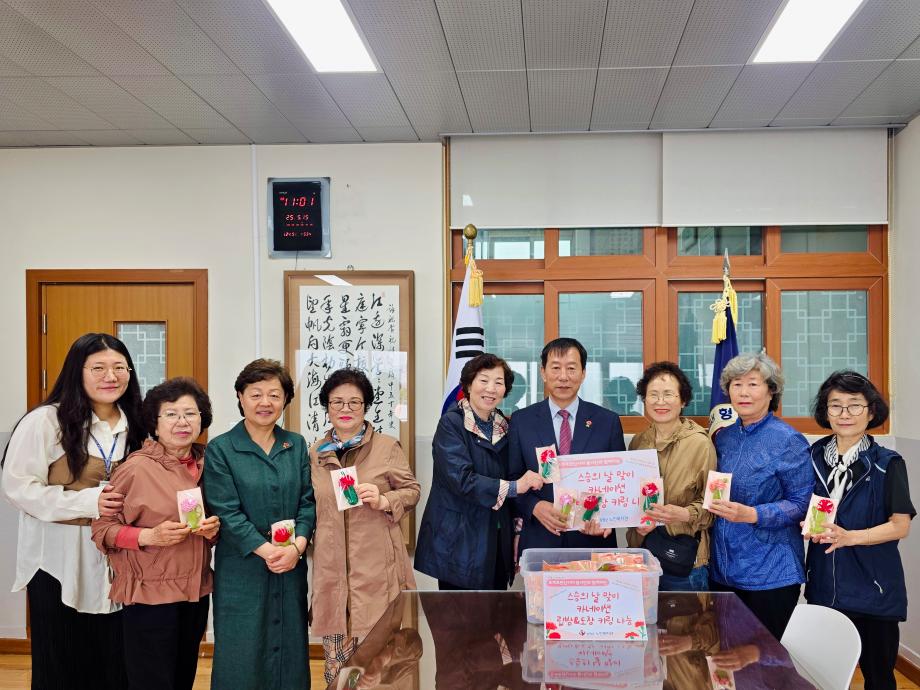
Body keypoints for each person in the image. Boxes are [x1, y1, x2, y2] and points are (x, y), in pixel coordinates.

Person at [1, 332, 145, 689]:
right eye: (97, 367)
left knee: (117, 664)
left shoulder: (138, 423)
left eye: (118, 367)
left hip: (122, 564)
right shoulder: (45, 421)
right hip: (58, 562)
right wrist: (87, 502)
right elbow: (18, 487)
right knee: (61, 666)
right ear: (76, 372)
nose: (110, 376)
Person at [91, 377, 220, 690]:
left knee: (181, 680)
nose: (182, 422)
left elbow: (218, 527)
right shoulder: (136, 468)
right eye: (171, 414)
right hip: (149, 596)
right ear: (154, 423)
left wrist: (214, 531)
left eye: (191, 413)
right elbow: (102, 529)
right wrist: (148, 537)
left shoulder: (210, 464)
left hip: (195, 593)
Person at [203, 359, 315, 690]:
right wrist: (269, 552)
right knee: (242, 649)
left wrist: (298, 547)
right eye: (256, 394)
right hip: (242, 567)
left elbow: (308, 503)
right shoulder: (222, 448)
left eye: (274, 395)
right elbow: (226, 512)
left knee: (290, 647)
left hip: (291, 564)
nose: (265, 402)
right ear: (240, 397)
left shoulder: (295, 445)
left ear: (285, 400)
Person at [309, 368, 421, 684]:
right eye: (337, 402)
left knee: (378, 673)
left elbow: (412, 491)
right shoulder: (316, 453)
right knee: (337, 674)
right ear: (327, 407)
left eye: (354, 403)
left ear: (366, 407)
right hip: (332, 578)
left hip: (376, 577)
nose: (345, 410)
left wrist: (385, 499)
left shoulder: (387, 446)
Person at [804, 371, 913, 690]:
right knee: (822, 675)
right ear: (825, 412)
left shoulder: (888, 462)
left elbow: (900, 525)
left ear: (871, 411)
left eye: (854, 405)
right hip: (824, 587)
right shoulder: (811, 457)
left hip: (873, 590)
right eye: (835, 405)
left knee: (878, 678)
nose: (844, 414)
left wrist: (850, 537)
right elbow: (806, 506)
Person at [415, 353, 543, 589]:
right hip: (459, 543)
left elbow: (514, 474)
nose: (491, 389)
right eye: (483, 380)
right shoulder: (451, 424)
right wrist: (516, 487)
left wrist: (517, 532)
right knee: (457, 621)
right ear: (468, 384)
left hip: (496, 541)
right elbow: (462, 480)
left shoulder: (506, 427)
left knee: (495, 620)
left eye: (499, 382)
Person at [708, 352, 812, 640]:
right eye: (736, 384)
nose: (743, 392)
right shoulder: (724, 437)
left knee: (764, 664)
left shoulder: (788, 439)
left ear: (771, 390)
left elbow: (801, 504)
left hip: (771, 573)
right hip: (724, 569)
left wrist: (753, 514)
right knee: (729, 659)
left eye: (753, 384)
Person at [508, 337, 626, 551]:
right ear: (543, 372)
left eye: (571, 368)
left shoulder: (607, 421)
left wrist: (606, 519)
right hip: (541, 540)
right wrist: (535, 506)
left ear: (583, 373)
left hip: (593, 541)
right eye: (555, 368)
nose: (563, 377)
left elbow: (620, 483)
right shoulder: (521, 421)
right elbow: (511, 478)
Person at [626, 362, 716, 591]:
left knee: (685, 626)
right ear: (644, 400)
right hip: (642, 556)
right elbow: (628, 497)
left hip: (684, 560)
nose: (660, 402)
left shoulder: (700, 443)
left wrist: (684, 513)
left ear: (683, 400)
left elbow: (715, 504)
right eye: (653, 395)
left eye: (668, 394)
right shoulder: (638, 442)